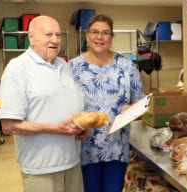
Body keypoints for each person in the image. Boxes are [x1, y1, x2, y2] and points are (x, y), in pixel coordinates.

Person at [0, 15, 89, 192]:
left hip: (72, 161)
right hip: (42, 168)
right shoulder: (17, 68)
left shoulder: (64, 66)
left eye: (58, 35)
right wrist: (55, 129)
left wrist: (83, 124)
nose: (55, 40)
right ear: (31, 37)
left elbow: (68, 103)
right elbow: (9, 125)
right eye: (48, 34)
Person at [69, 14, 143, 192]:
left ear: (111, 37)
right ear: (87, 35)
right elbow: (63, 105)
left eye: (105, 33)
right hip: (84, 148)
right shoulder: (72, 68)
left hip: (116, 148)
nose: (99, 37)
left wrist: (132, 109)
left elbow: (140, 102)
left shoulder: (127, 67)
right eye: (94, 32)